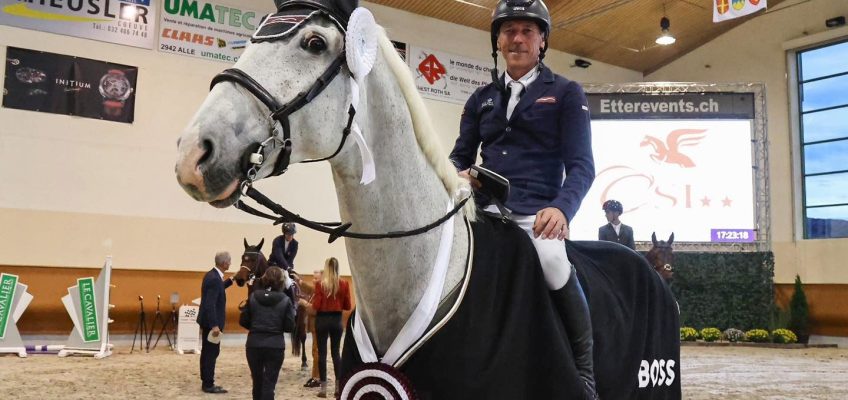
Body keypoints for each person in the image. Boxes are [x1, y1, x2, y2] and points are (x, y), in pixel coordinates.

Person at [448, 0, 597, 397]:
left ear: (542, 41)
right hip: (483, 212)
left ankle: (584, 371)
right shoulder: (480, 98)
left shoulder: (566, 92)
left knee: (551, 262)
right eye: (509, 31)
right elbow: (458, 157)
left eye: (526, 31)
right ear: (497, 40)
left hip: (538, 214)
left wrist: (561, 208)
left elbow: (582, 166)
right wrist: (459, 175)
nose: (517, 38)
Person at [239, 266, 296, 400]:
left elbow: (243, 321)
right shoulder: (285, 300)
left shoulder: (253, 296)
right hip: (275, 345)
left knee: (257, 382)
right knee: (269, 384)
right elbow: (289, 326)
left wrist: (255, 326)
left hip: (254, 344)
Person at [309, 258, 351, 398]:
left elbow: (316, 306)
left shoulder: (320, 284)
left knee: (322, 354)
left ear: (326, 268)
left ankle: (323, 389)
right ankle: (338, 388)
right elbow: (347, 306)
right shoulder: (344, 283)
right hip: (337, 320)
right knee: (335, 353)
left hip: (322, 320)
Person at [197, 251, 234, 394]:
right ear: (225, 263)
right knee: (211, 353)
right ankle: (208, 384)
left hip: (208, 322)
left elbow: (218, 289)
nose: (230, 263)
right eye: (229, 261)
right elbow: (210, 303)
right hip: (212, 323)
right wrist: (214, 325)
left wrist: (231, 280)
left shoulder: (212, 276)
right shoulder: (214, 279)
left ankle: (206, 380)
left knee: (208, 352)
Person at [302, 270, 321, 388]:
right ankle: (315, 376)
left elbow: (315, 310)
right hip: (315, 327)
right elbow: (309, 289)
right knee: (315, 352)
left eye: (316, 279)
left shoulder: (321, 292)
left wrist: (304, 304)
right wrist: (298, 281)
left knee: (317, 352)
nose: (313, 280)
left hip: (318, 326)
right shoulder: (316, 290)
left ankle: (317, 378)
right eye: (313, 278)